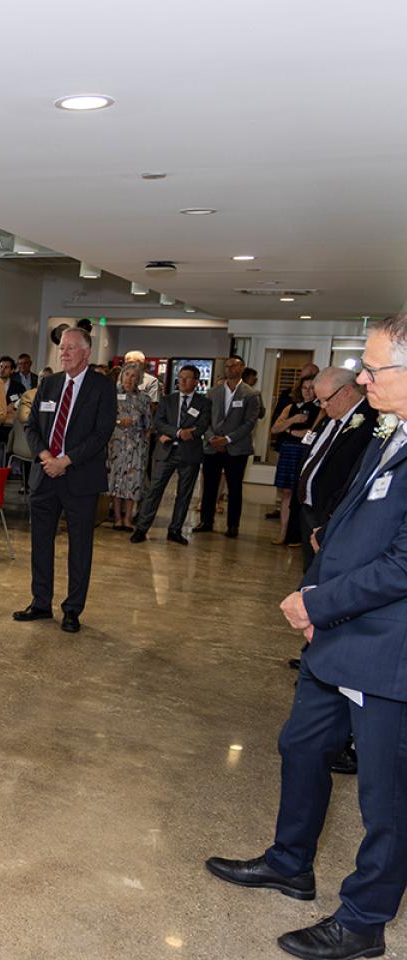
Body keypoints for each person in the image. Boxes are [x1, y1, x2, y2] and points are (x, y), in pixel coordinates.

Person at [207, 315, 407, 960]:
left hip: (387, 647)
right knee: (300, 744)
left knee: (386, 795)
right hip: (337, 632)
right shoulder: (389, 430)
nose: (364, 378)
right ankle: (291, 861)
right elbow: (354, 522)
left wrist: (323, 599)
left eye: (375, 369)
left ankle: (365, 919)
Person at [14, 327, 115, 633]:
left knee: (80, 547)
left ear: (86, 353)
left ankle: (72, 609)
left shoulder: (102, 387)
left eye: (72, 348)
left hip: (80, 477)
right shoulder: (49, 384)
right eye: (62, 349)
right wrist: (46, 457)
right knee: (40, 542)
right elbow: (31, 427)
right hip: (45, 476)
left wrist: (65, 461)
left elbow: (101, 434)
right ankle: (40, 602)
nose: (65, 353)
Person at [296, 366, 376, 570]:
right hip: (309, 508)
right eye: (319, 401)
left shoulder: (369, 421)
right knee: (309, 568)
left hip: (331, 513)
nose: (322, 406)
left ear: (347, 391)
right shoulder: (330, 419)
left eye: (326, 399)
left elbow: (355, 472)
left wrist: (332, 514)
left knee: (325, 570)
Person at [131, 365, 211, 545]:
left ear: (196, 382)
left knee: (184, 494)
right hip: (166, 451)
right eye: (180, 377)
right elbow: (159, 422)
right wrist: (179, 432)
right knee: (154, 491)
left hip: (189, 454)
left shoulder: (204, 403)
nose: (182, 381)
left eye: (187, 378)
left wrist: (186, 431)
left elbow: (202, 425)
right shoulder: (168, 400)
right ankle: (142, 529)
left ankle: (175, 530)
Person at [194, 356, 261, 538]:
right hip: (212, 447)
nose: (230, 368)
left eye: (234, 365)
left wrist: (228, 439)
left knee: (234, 488)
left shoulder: (251, 394)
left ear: (242, 368)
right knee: (209, 486)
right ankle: (206, 521)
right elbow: (204, 419)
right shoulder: (213, 392)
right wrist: (212, 438)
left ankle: (233, 525)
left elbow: (250, 423)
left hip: (236, 448)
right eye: (227, 366)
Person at [270, 373, 321, 545]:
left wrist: (289, 431)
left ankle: (296, 534)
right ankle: (283, 532)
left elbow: (310, 435)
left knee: (300, 493)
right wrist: (293, 420)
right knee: (286, 492)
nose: (308, 392)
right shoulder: (290, 407)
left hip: (305, 452)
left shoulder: (321, 408)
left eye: (312, 388)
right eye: (305, 388)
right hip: (288, 451)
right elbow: (275, 429)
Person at [108, 363, 151, 530]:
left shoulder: (144, 398)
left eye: (134, 376)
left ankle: (128, 518)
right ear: (121, 376)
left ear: (138, 379)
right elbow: (103, 418)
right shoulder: (111, 395)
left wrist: (144, 445)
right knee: (117, 481)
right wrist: (118, 422)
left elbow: (148, 424)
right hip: (117, 444)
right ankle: (117, 518)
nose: (129, 379)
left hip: (136, 445)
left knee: (133, 482)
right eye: (127, 374)